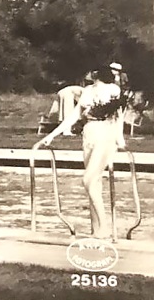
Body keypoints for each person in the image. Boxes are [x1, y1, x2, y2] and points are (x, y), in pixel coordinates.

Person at [38, 67, 129, 238]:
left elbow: (119, 116)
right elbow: (73, 117)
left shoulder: (112, 90)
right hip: (89, 134)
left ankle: (105, 227)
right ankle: (95, 230)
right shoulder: (87, 91)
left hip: (105, 134)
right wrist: (51, 136)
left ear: (96, 74)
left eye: (91, 72)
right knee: (94, 184)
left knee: (87, 180)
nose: (88, 74)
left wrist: (120, 139)